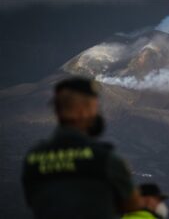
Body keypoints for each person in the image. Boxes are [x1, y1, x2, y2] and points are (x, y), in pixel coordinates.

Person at [21, 77, 138, 219]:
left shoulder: (33, 159)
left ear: (58, 112)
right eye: (95, 108)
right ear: (83, 111)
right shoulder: (105, 160)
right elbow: (132, 205)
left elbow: (31, 200)